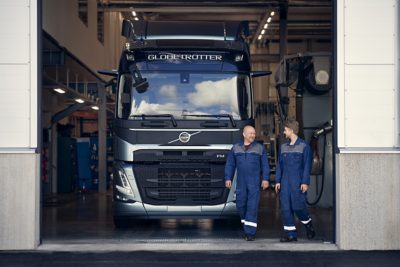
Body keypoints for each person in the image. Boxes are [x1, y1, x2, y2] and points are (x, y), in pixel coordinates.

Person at [225, 125, 270, 241]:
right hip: (241, 183)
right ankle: (247, 225)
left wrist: (265, 179)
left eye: (254, 133)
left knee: (252, 206)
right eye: (250, 133)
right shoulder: (236, 148)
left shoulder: (259, 148)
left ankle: (250, 233)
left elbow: (265, 165)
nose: (253, 135)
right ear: (244, 134)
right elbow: (230, 164)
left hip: (254, 182)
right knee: (240, 204)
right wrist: (228, 178)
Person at [275, 119, 316, 242]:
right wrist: (278, 181)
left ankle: (308, 223)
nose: (283, 132)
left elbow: (307, 166)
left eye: (285, 129)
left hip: (297, 182)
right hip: (285, 181)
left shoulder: (304, 146)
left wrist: (305, 182)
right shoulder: (283, 147)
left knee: (298, 206)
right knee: (286, 208)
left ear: (291, 130)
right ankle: (290, 234)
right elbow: (279, 165)